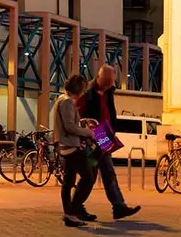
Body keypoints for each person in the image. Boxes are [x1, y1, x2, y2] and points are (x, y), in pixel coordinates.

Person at [77, 64, 141, 220]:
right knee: (90, 174)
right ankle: (76, 206)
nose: (108, 86)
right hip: (93, 136)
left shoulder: (108, 92)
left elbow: (110, 113)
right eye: (106, 82)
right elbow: (79, 116)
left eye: (110, 83)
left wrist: (112, 130)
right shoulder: (87, 94)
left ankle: (118, 206)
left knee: (108, 171)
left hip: (104, 135)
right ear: (99, 78)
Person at [53, 74, 96, 228]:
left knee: (69, 180)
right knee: (88, 177)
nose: (84, 92)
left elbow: (71, 123)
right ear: (79, 89)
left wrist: (82, 123)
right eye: (83, 89)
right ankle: (72, 211)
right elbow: (70, 126)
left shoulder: (61, 99)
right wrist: (88, 133)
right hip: (71, 146)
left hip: (65, 146)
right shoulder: (67, 102)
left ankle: (69, 214)